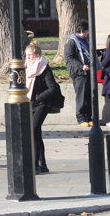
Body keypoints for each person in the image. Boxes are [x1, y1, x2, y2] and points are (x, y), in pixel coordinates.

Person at [25, 42, 58, 174]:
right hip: (30, 104)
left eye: (30, 55)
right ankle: (42, 164)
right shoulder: (26, 67)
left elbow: (53, 88)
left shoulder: (44, 68)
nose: (27, 58)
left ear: (37, 55)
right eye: (26, 55)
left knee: (32, 132)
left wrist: (39, 97)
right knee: (36, 133)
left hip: (42, 104)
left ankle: (35, 165)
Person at [64, 21, 92, 126]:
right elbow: (70, 58)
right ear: (82, 31)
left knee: (88, 96)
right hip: (79, 73)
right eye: (87, 31)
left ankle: (89, 117)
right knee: (81, 96)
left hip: (88, 71)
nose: (88, 33)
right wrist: (81, 66)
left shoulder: (85, 41)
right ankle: (81, 118)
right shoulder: (72, 42)